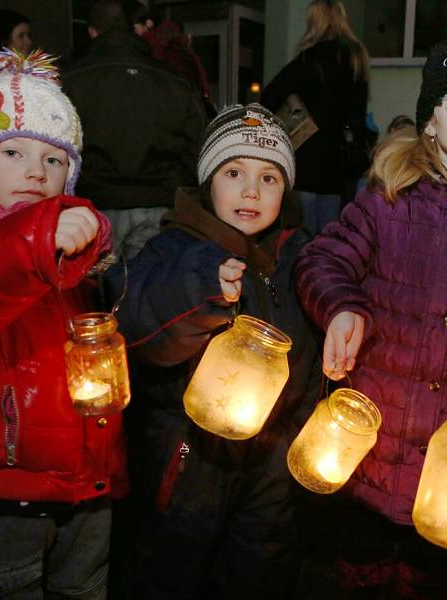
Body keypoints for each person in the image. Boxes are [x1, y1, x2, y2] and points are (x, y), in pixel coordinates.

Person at [294, 37, 447, 597]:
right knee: (358, 574)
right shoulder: (389, 201)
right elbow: (323, 258)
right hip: (373, 448)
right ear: (431, 118)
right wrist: (341, 308)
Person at [105, 103, 321, 599]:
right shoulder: (175, 248)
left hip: (272, 454)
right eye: (234, 172)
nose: (251, 190)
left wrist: (306, 423)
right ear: (208, 183)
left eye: (269, 178)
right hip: (190, 454)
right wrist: (202, 288)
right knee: (172, 566)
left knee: (262, 563)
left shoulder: (296, 257)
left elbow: (310, 346)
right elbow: (135, 313)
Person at [0, 49, 126, 599]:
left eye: (55, 161)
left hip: (85, 485)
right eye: (13, 152)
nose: (36, 171)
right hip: (2, 497)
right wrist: (35, 241)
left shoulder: (68, 248)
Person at [62, 0, 207, 261]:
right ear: (133, 29)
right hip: (157, 203)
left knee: (97, 295)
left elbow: (57, 146)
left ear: (93, 32)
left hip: (96, 206)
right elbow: (197, 144)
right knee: (148, 292)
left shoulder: (72, 79)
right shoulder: (174, 80)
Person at [261, 0, 370, 233]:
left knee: (303, 238)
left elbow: (269, 97)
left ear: (315, 22)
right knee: (330, 238)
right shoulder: (356, 59)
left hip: (306, 161)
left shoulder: (307, 60)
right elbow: (358, 113)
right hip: (340, 164)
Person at [125, 1, 217, 117]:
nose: (134, 34)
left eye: (135, 28)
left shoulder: (168, 49)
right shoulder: (169, 44)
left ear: (148, 23)